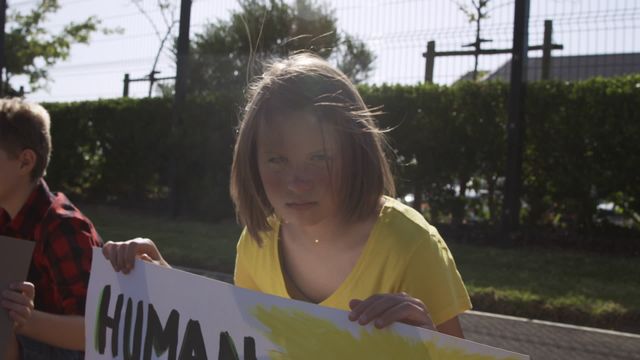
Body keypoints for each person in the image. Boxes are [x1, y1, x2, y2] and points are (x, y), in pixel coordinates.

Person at [103, 53, 471, 337]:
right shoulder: (256, 243)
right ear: (252, 163)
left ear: (356, 153)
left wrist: (428, 342)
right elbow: (241, 337)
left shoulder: (411, 244)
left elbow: (451, 353)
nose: (298, 182)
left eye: (319, 157)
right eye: (277, 160)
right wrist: (161, 280)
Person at [0, 98, 102, 359]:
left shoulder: (63, 227)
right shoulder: (6, 216)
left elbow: (95, 329)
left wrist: (22, 318)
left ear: (25, 162)